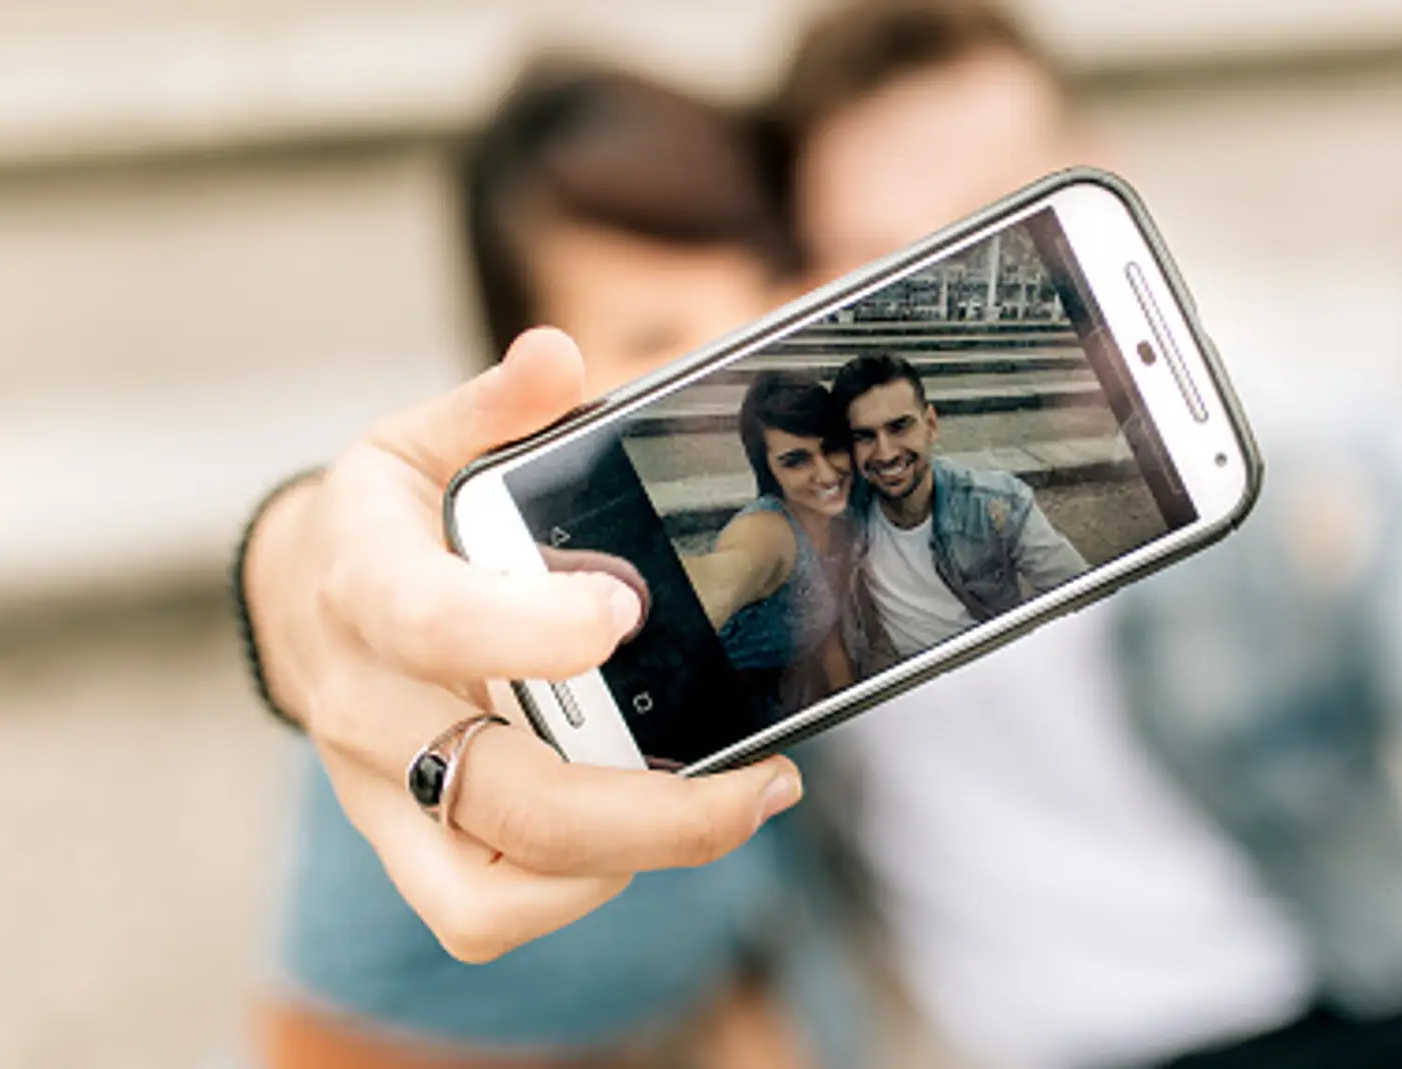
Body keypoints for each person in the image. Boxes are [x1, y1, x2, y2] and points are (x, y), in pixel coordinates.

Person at [763, 3, 1402, 1069]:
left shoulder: (1312, 455)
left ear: (1101, 193)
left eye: (996, 234)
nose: (951, 309)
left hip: (1321, 1023)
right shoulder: (793, 539)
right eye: (880, 267)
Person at [247, 63, 852, 1069]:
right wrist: (287, 565)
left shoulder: (806, 519)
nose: (736, 369)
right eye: (655, 338)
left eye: (761, 303)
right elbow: (341, 592)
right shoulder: (475, 604)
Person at [827, 352, 1085, 671]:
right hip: (905, 683)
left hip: (995, 670)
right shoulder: (846, 511)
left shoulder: (996, 505)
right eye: (864, 436)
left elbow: (1086, 599)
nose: (885, 453)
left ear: (931, 425)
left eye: (899, 427)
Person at [685, 371, 858, 716]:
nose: (825, 474)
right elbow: (726, 573)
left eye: (832, 448)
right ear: (767, 470)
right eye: (796, 461)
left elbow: (827, 638)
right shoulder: (768, 532)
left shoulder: (840, 522)